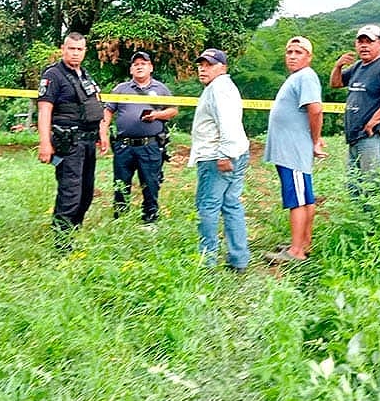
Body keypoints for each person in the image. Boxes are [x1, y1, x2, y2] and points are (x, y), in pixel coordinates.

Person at [262, 36, 327, 263]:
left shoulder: (306, 76)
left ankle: (296, 252)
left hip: (294, 151)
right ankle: (302, 243)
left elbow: (316, 110)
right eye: (289, 52)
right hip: (290, 150)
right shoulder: (298, 78)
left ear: (309, 57)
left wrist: (315, 140)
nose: (292, 56)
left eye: (298, 52)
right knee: (305, 198)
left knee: (297, 200)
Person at [37, 32, 105, 249]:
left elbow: (96, 105)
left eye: (80, 49)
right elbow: (44, 109)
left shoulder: (85, 74)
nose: (75, 53)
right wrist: (45, 143)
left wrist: (102, 134)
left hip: (88, 141)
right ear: (62, 49)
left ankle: (73, 233)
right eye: (71, 49)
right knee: (70, 193)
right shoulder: (53, 75)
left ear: (85, 51)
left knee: (86, 193)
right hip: (68, 143)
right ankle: (62, 244)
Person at [188, 48, 250, 272]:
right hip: (234, 152)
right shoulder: (221, 87)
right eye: (201, 64)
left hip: (218, 157)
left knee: (207, 206)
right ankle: (239, 259)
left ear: (222, 67)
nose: (203, 69)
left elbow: (227, 123)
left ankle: (207, 261)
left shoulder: (219, 89)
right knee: (231, 204)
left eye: (209, 64)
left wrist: (224, 154)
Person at [100, 51, 178, 224]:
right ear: (131, 69)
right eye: (136, 64)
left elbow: (173, 110)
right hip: (124, 147)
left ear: (150, 67)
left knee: (150, 184)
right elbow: (108, 111)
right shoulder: (121, 89)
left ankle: (150, 220)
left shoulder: (160, 89)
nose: (139, 66)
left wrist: (157, 115)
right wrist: (103, 133)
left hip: (149, 146)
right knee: (120, 185)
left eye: (143, 63)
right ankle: (120, 220)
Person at [330, 24, 380, 195]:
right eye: (361, 41)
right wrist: (338, 66)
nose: (364, 45)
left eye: (369, 41)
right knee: (354, 188)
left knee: (372, 188)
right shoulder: (358, 66)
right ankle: (358, 220)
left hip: (373, 135)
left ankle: (374, 220)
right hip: (356, 136)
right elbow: (335, 84)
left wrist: (376, 119)